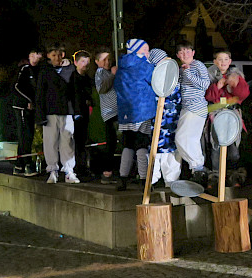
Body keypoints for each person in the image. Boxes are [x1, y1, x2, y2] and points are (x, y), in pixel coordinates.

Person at [115, 39, 176, 191]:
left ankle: (122, 178)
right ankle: (144, 179)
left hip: (125, 112)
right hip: (143, 111)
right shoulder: (144, 66)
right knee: (141, 145)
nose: (148, 53)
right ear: (138, 51)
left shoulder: (122, 66)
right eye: (146, 50)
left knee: (128, 145)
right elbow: (157, 82)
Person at [34, 44, 78, 184]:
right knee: (50, 142)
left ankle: (68, 170)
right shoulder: (45, 71)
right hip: (50, 112)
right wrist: (40, 115)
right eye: (53, 55)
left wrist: (76, 111)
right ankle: (52, 170)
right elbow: (40, 93)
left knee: (67, 141)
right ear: (48, 56)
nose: (57, 58)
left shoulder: (70, 70)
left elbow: (75, 91)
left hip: (67, 111)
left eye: (59, 55)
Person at [206, 50, 249, 185]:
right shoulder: (209, 76)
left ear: (230, 61)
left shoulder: (236, 76)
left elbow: (243, 94)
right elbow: (208, 96)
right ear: (215, 62)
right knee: (216, 146)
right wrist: (217, 87)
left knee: (233, 147)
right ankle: (216, 176)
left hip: (232, 115)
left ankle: (235, 175)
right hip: (216, 115)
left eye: (226, 59)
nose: (223, 62)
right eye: (220, 59)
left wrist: (235, 84)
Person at [174, 42, 210, 185]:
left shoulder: (198, 65)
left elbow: (205, 85)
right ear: (178, 55)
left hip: (195, 106)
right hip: (187, 107)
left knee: (181, 138)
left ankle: (198, 166)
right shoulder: (180, 69)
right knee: (191, 139)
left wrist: (188, 73)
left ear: (193, 53)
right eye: (181, 52)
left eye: (188, 51)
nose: (185, 54)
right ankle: (197, 170)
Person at [9, 47, 44, 175]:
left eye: (38, 55)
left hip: (31, 107)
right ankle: (27, 164)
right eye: (33, 55)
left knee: (27, 135)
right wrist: (28, 100)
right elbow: (16, 86)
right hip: (22, 107)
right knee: (25, 135)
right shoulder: (24, 69)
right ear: (29, 56)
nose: (35, 58)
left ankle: (19, 165)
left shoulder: (39, 70)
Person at [70, 50, 97, 181]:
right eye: (82, 61)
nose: (85, 64)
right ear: (76, 62)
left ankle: (82, 167)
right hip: (74, 114)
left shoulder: (87, 79)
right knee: (75, 142)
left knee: (83, 141)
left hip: (85, 113)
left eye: (87, 62)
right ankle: (75, 167)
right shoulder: (71, 78)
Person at [94, 49, 118, 179]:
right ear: (97, 61)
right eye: (103, 60)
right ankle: (107, 170)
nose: (107, 62)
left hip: (119, 110)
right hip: (110, 112)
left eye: (108, 59)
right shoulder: (100, 73)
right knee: (111, 142)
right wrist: (112, 75)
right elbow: (102, 88)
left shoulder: (110, 71)